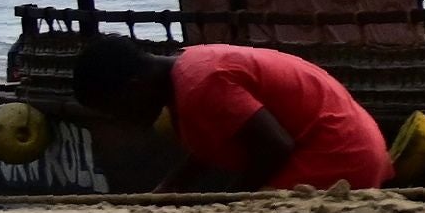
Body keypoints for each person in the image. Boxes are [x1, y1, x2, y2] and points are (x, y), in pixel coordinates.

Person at [61, 32, 396, 192]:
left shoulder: (200, 85)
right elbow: (210, 147)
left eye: (116, 110)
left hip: (339, 154)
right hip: (353, 144)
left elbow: (275, 147)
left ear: (134, 87)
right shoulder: (189, 68)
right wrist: (166, 190)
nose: (120, 120)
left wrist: (234, 199)